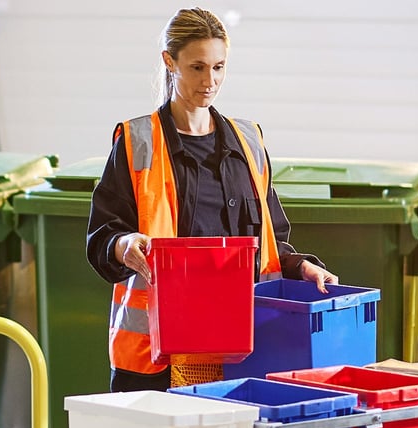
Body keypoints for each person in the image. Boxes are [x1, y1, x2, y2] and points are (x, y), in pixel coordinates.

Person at [86, 7, 338, 393]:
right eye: (197, 68)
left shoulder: (249, 141)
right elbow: (102, 234)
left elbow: (271, 241)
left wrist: (302, 266)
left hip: (245, 350)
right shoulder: (138, 142)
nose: (210, 81)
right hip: (158, 357)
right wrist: (122, 245)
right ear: (170, 62)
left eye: (219, 67)